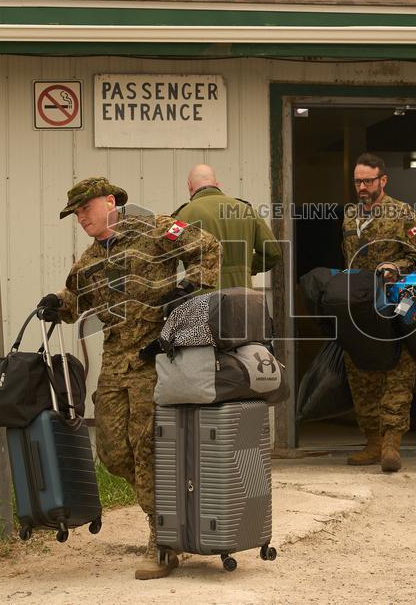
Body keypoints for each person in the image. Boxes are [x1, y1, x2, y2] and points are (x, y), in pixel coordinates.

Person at [38, 177, 220, 578]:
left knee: (147, 447)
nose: (81, 218)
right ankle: (174, 512)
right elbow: (74, 299)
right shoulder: (90, 259)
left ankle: (164, 540)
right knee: (112, 452)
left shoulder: (155, 229)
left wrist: (189, 288)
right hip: (115, 361)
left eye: (85, 209)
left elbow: (208, 248)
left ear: (109, 201)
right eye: (76, 214)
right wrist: (57, 305)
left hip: (154, 357)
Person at [341, 153, 416, 473]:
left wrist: (396, 267)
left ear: (383, 180)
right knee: (360, 369)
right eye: (358, 181)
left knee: (397, 368)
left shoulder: (402, 214)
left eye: (368, 180)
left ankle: (391, 444)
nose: (362, 187)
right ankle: (371, 441)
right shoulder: (351, 215)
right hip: (361, 304)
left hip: (395, 302)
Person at [172, 163, 281, 289]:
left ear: (189, 185)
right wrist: (245, 267)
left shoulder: (182, 216)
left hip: (203, 300)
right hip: (241, 298)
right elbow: (273, 253)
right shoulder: (246, 210)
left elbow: (166, 256)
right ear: (217, 185)